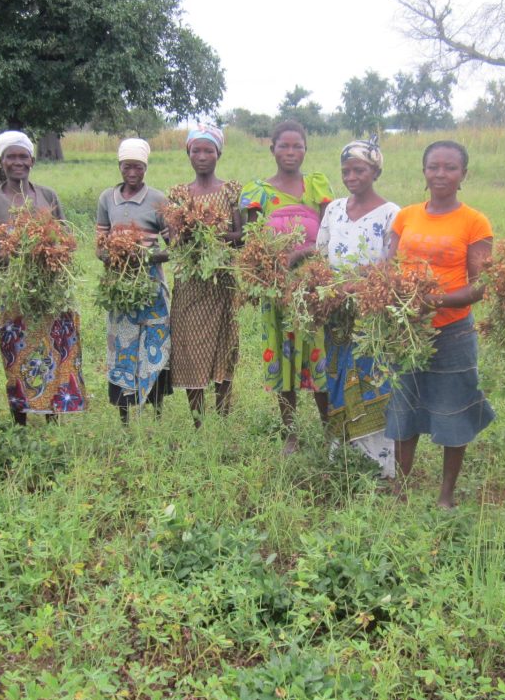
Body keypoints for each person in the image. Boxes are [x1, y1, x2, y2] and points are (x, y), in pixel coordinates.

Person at [385, 140, 494, 508]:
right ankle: (400, 488)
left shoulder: (474, 221)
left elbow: (480, 286)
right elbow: (387, 268)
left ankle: (445, 496)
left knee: (454, 409)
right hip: (407, 331)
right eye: (433, 167)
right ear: (424, 171)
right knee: (405, 407)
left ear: (464, 174)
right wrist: (396, 298)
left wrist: (432, 301)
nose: (441, 174)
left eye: (450, 168)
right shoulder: (405, 216)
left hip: (452, 332)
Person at [0, 131, 86, 425]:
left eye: (22, 157)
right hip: (15, 293)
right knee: (16, 357)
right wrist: (9, 258)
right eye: (11, 157)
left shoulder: (47, 196)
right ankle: (20, 422)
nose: (17, 163)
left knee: (53, 354)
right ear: (1, 162)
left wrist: (49, 251)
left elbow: (65, 238)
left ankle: (52, 419)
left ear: (32, 160)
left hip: (51, 293)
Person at [240, 120, 334, 453]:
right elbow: (252, 243)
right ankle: (290, 433)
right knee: (282, 356)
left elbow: (329, 233)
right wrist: (268, 269)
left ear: (306, 150)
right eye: (284, 146)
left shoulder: (316, 186)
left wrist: (301, 254)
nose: (291, 152)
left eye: (298, 146)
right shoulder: (258, 192)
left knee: (318, 355)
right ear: (272, 149)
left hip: (313, 288)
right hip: (277, 289)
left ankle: (329, 431)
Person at [317, 136, 399, 477]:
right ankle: (344, 460)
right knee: (337, 377)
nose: (352, 176)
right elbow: (321, 255)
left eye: (360, 169)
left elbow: (391, 266)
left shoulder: (392, 213)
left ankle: (378, 466)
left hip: (371, 314)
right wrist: (323, 288)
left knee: (372, 379)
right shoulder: (335, 209)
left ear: (375, 170)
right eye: (346, 170)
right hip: (336, 314)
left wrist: (354, 286)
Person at [168, 126, 242, 427]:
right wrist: (184, 234)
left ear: (219, 154)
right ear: (188, 153)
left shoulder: (231, 191)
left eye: (208, 150)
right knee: (190, 346)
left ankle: (223, 417)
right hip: (190, 283)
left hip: (222, 281)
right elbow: (173, 240)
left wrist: (211, 235)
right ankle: (197, 421)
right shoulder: (179, 194)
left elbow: (242, 236)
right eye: (196, 150)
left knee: (224, 344)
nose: (202, 156)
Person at [96, 138, 171, 424]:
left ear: (145, 168)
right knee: (123, 347)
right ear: (119, 166)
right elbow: (99, 247)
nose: (132, 172)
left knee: (155, 344)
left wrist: (145, 256)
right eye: (127, 166)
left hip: (151, 285)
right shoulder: (106, 199)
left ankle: (157, 414)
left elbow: (171, 246)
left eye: (138, 167)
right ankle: (125, 417)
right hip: (120, 286)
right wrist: (117, 255)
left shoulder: (158, 199)